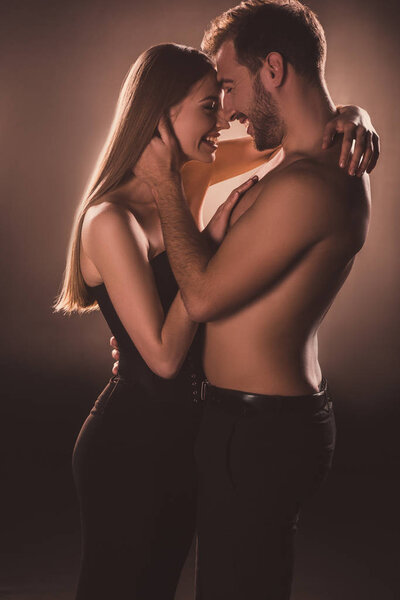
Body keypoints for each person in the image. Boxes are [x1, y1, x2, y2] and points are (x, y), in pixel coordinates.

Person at [128, 2, 376, 599]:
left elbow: (207, 295)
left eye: (232, 87)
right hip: (246, 421)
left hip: (263, 430)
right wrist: (354, 112)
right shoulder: (303, 158)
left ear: (273, 69)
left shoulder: (314, 181)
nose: (229, 109)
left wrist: (162, 183)